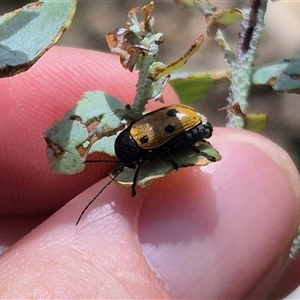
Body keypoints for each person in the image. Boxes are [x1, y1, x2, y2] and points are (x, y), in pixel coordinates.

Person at [0, 47, 299, 299]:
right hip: (176, 121)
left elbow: (158, 150)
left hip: (184, 122)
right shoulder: (133, 138)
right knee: (164, 148)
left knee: (168, 148)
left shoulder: (139, 143)